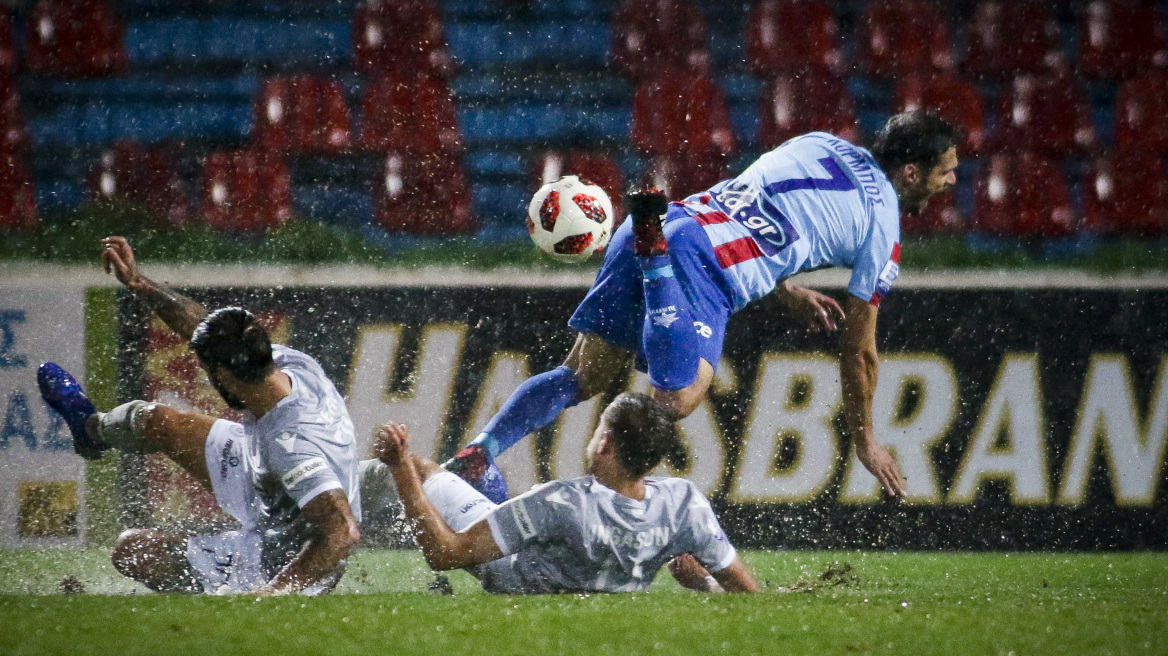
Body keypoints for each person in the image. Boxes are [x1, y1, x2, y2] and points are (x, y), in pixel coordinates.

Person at [447, 112, 960, 503]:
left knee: (580, 375)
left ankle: (480, 453)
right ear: (911, 172)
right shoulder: (883, 226)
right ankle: (605, 507)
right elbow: (861, 351)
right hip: (700, 263)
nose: (952, 183)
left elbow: (755, 207)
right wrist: (866, 438)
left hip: (669, 218)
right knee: (678, 394)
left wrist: (784, 288)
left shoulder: (821, 144)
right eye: (946, 172)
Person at [37, 236, 361, 595]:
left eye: (206, 370)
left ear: (222, 375)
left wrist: (274, 594)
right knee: (152, 419)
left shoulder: (292, 445)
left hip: (285, 553)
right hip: (268, 479)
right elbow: (203, 327)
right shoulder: (285, 363)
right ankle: (90, 429)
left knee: (133, 551)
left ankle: (222, 591)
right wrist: (139, 283)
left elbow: (341, 533)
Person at [368, 392, 759, 594]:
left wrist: (401, 469)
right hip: (588, 579)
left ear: (604, 442)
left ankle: (321, 510)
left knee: (419, 468)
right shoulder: (684, 504)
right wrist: (704, 584)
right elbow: (748, 593)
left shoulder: (561, 502)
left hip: (512, 575)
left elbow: (444, 554)